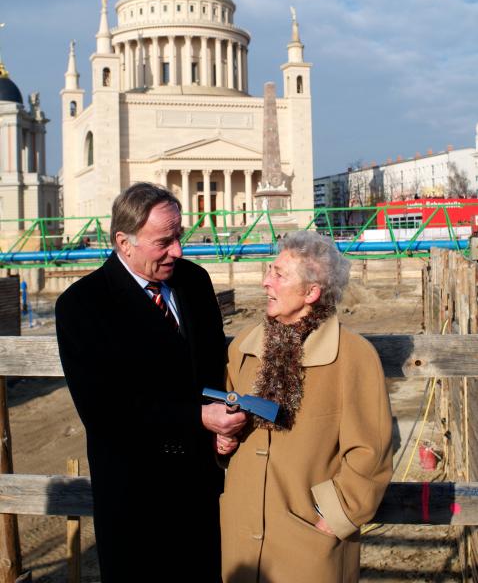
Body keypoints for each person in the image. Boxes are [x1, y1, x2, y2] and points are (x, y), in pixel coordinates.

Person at [55, 183, 246, 583]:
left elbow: (212, 368)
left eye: (179, 237)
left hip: (200, 485)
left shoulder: (194, 281)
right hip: (136, 496)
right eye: (165, 241)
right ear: (124, 242)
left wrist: (224, 429)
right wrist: (198, 418)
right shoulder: (82, 304)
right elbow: (103, 410)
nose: (177, 250)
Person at [218, 231, 393, 583]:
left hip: (309, 545)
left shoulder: (354, 356)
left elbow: (370, 452)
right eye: (270, 270)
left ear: (311, 293)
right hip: (240, 540)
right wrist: (223, 441)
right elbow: (229, 420)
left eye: (279, 275)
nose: (266, 281)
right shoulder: (242, 348)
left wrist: (336, 515)